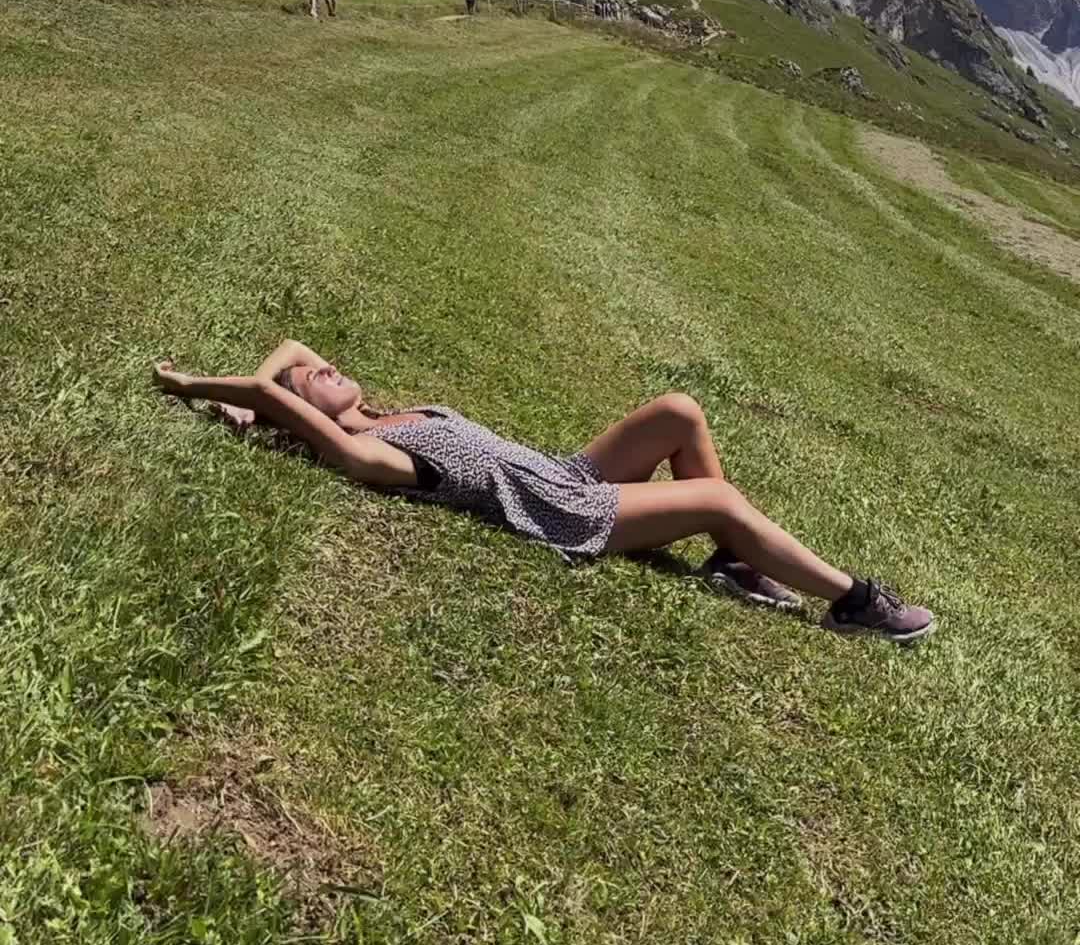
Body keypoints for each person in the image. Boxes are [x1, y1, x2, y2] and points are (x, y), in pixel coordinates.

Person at [153, 344, 935, 644]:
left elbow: (287, 351)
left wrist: (259, 390)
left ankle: (736, 566)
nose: (317, 368)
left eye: (319, 370)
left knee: (679, 411)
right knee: (721, 504)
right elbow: (275, 385)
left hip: (568, 473)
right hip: (567, 514)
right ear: (300, 418)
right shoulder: (372, 453)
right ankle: (853, 601)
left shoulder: (396, 414)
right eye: (306, 387)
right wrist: (208, 388)